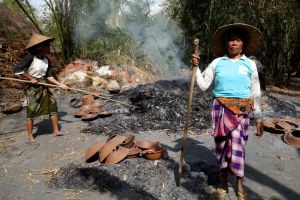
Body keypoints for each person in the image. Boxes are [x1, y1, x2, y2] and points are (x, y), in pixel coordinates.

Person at [191, 23, 264, 200]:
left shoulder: (249, 64)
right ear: (226, 43)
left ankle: (239, 183)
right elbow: (202, 86)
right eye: (231, 39)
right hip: (221, 111)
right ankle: (223, 182)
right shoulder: (217, 63)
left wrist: (259, 117)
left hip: (242, 111)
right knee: (222, 147)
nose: (234, 43)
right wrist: (196, 68)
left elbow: (255, 92)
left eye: (238, 39)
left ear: (243, 44)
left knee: (238, 147)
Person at [14, 32, 70, 144]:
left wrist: (61, 85)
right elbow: (17, 69)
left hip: (44, 87)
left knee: (53, 106)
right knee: (31, 110)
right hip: (32, 89)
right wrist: (30, 78)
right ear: (39, 47)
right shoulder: (30, 57)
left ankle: (56, 131)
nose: (49, 48)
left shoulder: (46, 60)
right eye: (46, 45)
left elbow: (49, 77)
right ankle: (30, 136)